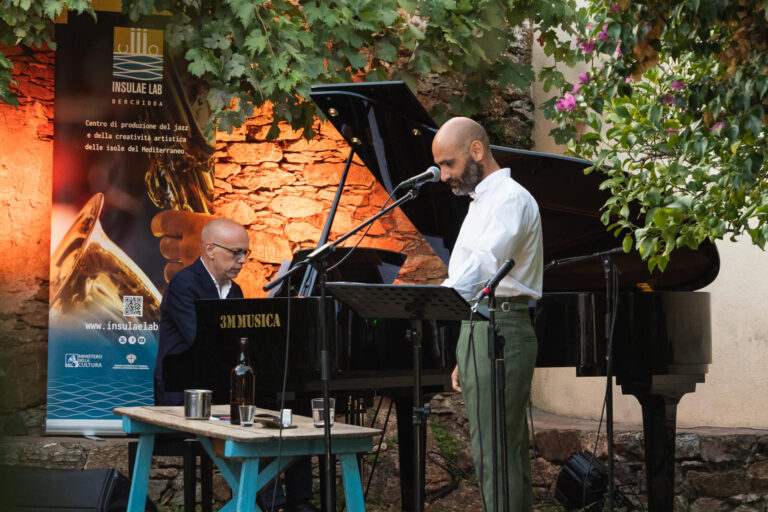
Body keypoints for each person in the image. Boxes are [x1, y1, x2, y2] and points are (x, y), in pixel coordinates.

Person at [154, 217, 315, 512]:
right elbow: (204, 343)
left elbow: (238, 346)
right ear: (210, 249)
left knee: (292, 401)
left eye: (245, 253)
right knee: (254, 408)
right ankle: (268, 502)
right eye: (236, 253)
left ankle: (299, 500)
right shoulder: (184, 284)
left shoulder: (235, 290)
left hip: (221, 384)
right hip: (188, 391)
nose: (242, 260)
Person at [433, 117, 543, 511]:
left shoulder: (510, 198)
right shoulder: (482, 202)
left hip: (503, 324)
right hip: (481, 325)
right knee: (495, 448)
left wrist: (434, 302)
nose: (444, 175)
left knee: (496, 451)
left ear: (476, 151)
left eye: (449, 164)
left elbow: (483, 267)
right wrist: (466, 343)